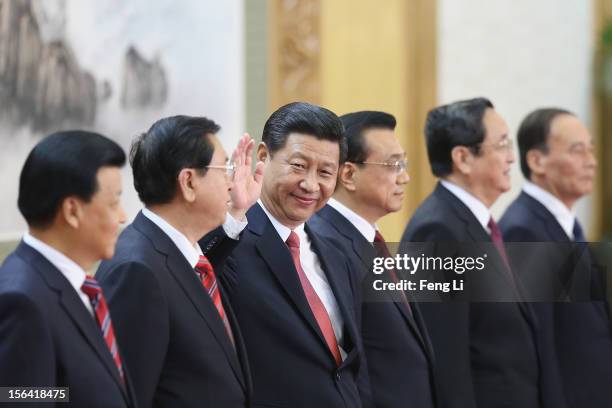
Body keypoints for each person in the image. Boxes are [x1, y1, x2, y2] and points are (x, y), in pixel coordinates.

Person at [401, 98, 563, 408]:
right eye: (502, 145)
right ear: (463, 158)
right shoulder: (437, 233)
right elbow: (447, 362)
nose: (511, 159)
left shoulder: (479, 226)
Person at [202, 102, 365, 407]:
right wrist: (233, 215)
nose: (310, 184)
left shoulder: (337, 251)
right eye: (299, 166)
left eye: (325, 172)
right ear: (263, 156)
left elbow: (352, 363)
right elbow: (194, 279)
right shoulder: (231, 240)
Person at [96, 116, 263, 408]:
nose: (231, 180)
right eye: (224, 168)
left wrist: (237, 209)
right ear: (188, 182)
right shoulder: (136, 270)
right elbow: (128, 396)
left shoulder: (182, 250)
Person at [309, 110, 438, 407]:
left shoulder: (369, 240)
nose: (405, 177)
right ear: (350, 174)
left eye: (403, 163)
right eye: (394, 165)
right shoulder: (326, 245)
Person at [0, 130, 135, 407]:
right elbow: (22, 396)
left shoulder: (79, 285)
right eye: (113, 203)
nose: (123, 217)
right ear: (72, 211)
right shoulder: (23, 301)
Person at [499, 108, 612, 408]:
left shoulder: (567, 223)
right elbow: (540, 346)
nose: (592, 161)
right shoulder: (526, 230)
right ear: (537, 161)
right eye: (577, 151)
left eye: (591, 149)